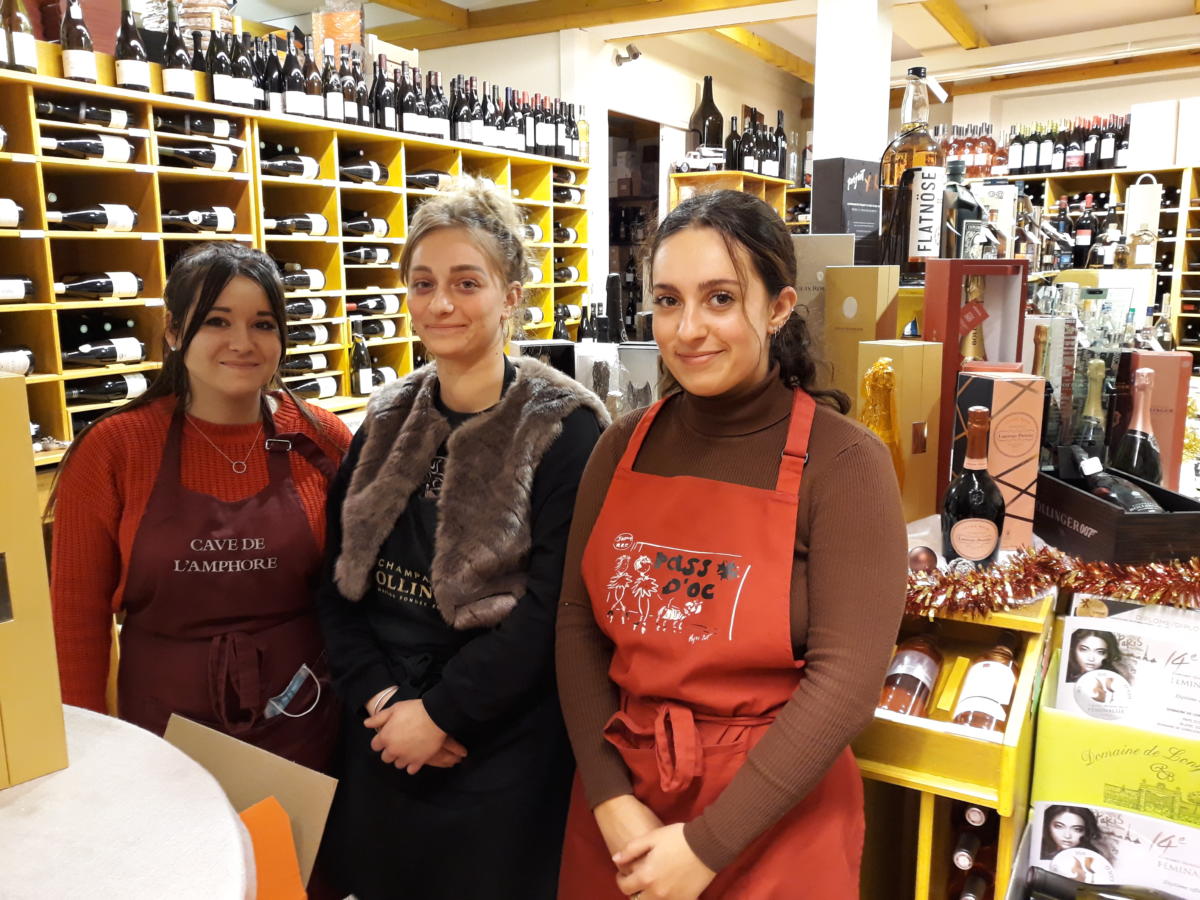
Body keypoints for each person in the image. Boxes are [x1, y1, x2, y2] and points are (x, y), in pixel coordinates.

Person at [555, 190, 908, 898]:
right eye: (667, 300)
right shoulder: (622, 445)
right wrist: (610, 800)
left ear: (778, 308)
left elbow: (846, 684)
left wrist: (707, 847)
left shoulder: (843, 464)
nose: (688, 329)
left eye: (720, 298)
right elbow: (575, 625)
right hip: (626, 801)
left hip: (775, 815)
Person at [317, 176, 607, 900]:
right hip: (382, 734)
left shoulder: (564, 428)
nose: (440, 303)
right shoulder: (383, 419)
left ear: (511, 295)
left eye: (466, 282)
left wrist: (442, 713)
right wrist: (384, 701)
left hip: (501, 749)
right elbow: (334, 584)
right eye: (423, 283)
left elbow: (554, 610)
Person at [51, 242, 351, 770]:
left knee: (301, 854)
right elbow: (76, 619)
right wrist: (86, 753)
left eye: (263, 323)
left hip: (304, 716)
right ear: (172, 330)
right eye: (216, 321)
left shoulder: (321, 438)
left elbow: (362, 590)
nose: (243, 343)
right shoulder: (115, 448)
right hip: (163, 729)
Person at [1041, 805, 1107, 859]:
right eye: (1059, 826)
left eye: (1077, 829)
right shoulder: (1039, 849)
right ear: (1047, 826)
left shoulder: (1092, 857)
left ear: (1086, 831)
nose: (1067, 835)